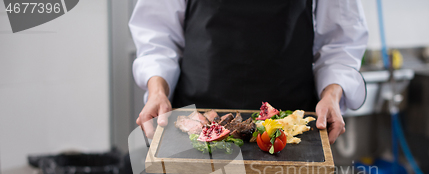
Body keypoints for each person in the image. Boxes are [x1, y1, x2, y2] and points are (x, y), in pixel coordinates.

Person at [129, 0, 368, 144]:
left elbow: (340, 43)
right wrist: (157, 91)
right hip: (197, 128)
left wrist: (332, 95)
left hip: (289, 136)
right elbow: (156, 37)